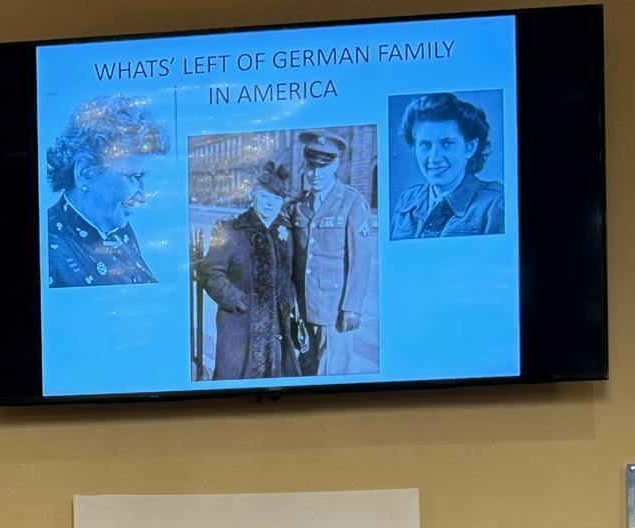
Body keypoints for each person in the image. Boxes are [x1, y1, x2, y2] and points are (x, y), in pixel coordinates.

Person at [44, 95, 169, 287]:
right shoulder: (50, 251)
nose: (142, 196)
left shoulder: (117, 229)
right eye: (134, 177)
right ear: (85, 172)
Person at [197, 160, 305, 380]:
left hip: (276, 324)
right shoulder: (232, 229)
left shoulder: (285, 231)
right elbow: (209, 272)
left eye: (276, 199)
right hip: (240, 323)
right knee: (238, 380)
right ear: (253, 197)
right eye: (264, 197)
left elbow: (292, 274)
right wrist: (236, 299)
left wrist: (288, 300)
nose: (269, 204)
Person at [289, 131, 375, 377]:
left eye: (323, 167)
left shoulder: (351, 202)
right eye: (311, 167)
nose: (316, 174)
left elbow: (361, 260)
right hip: (305, 304)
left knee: (334, 372)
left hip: (334, 307)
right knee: (307, 365)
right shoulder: (299, 205)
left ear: (335, 164)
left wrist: (353, 307)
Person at [390, 93, 505, 239]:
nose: (434, 158)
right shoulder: (407, 199)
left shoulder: (495, 203)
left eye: (447, 143)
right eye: (425, 145)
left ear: (470, 147)